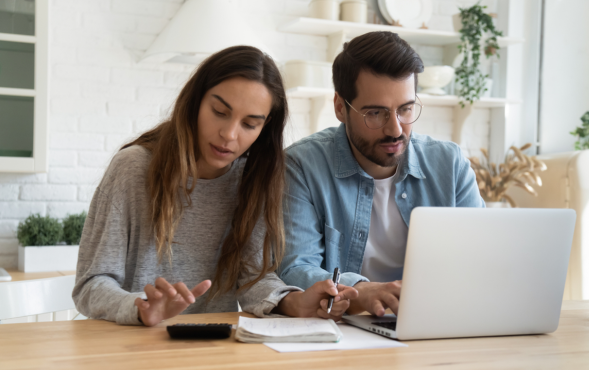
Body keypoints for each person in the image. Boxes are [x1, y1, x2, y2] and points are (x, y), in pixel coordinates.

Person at [72, 46, 357, 327]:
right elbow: (91, 284)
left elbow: (252, 280)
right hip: (129, 347)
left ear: (265, 127)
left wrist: (296, 301)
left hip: (210, 346)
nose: (229, 134)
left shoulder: (253, 179)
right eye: (220, 112)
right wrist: (140, 307)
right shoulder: (132, 169)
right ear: (195, 101)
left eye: (249, 124)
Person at [278, 32, 484, 317]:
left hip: (436, 320)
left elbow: (482, 258)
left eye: (406, 109)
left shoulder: (450, 164)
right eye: (375, 113)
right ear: (340, 107)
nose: (395, 129)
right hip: (345, 329)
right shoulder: (301, 166)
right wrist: (361, 291)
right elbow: (294, 268)